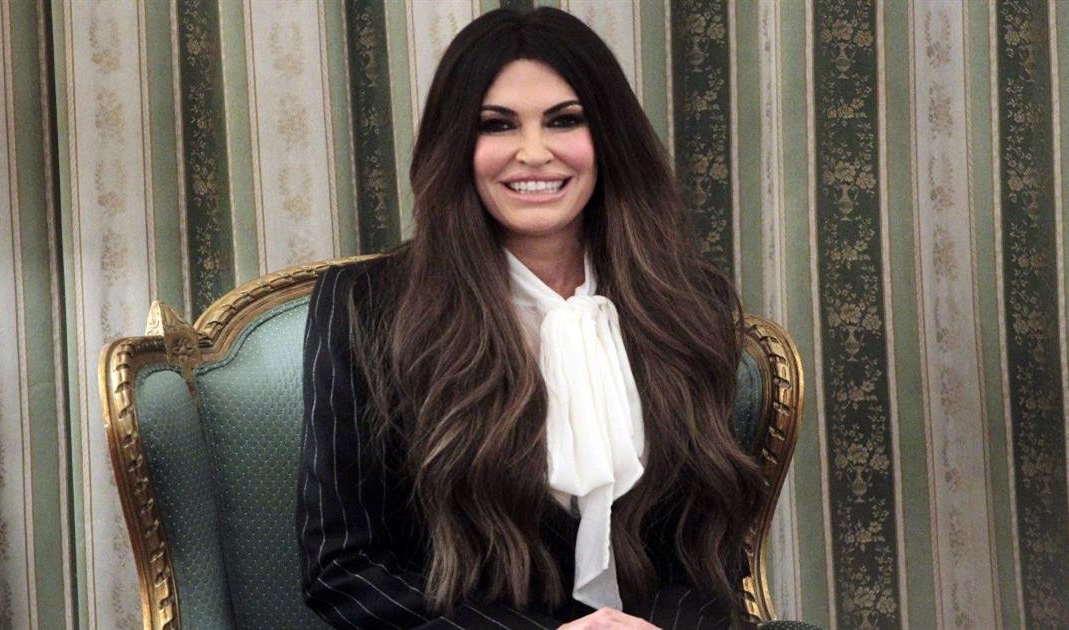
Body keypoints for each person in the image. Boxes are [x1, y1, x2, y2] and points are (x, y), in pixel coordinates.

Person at [297, 7, 766, 629]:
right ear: (456, 146)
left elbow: (710, 552)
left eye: (564, 120)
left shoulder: (687, 302)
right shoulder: (367, 306)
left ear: (609, 137)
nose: (534, 152)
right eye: (497, 125)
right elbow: (343, 569)